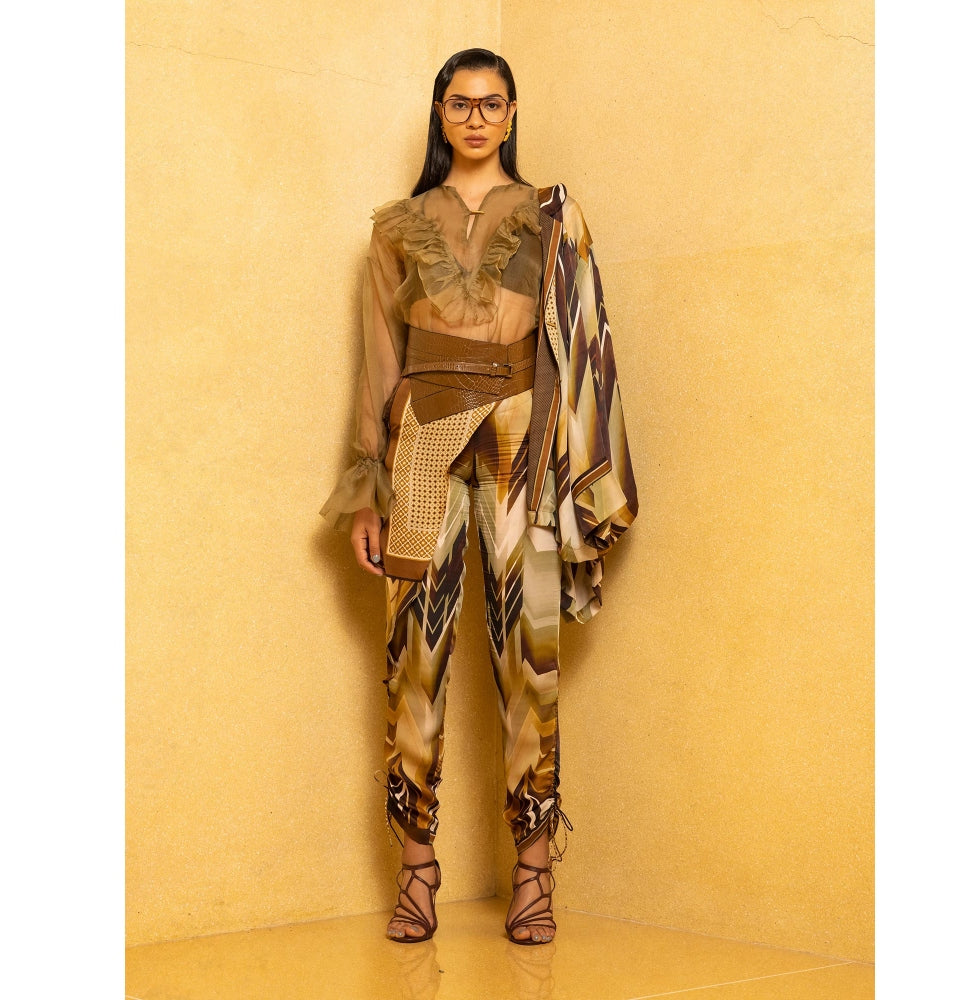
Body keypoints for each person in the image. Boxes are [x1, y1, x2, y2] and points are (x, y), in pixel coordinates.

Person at [320, 48, 638, 945]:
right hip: (421, 434)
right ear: (440, 112)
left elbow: (580, 338)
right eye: (460, 104)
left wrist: (569, 460)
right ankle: (416, 872)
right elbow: (377, 361)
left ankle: (533, 873)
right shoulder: (396, 227)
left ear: (510, 114)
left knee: (528, 651)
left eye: (492, 104)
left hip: (521, 438)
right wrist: (367, 490)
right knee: (412, 655)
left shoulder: (549, 213)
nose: (475, 118)